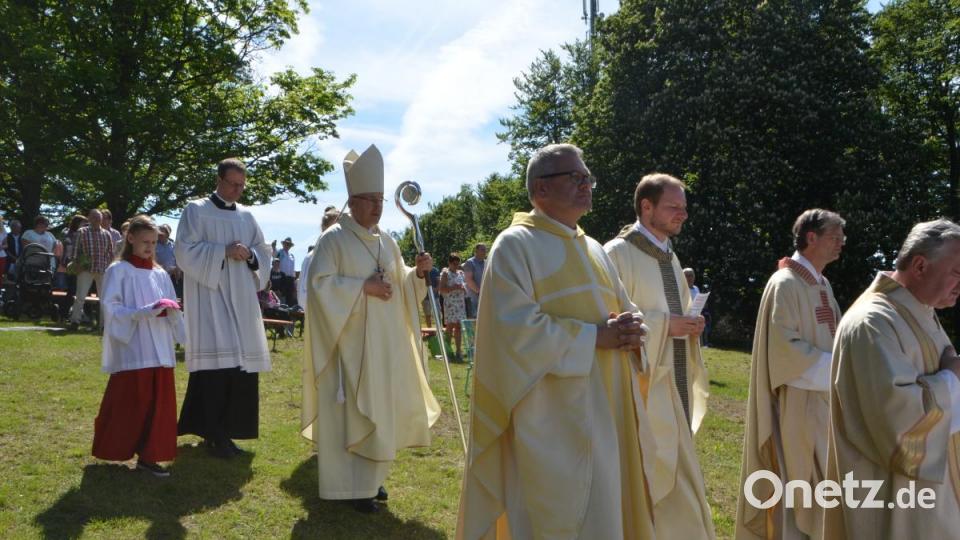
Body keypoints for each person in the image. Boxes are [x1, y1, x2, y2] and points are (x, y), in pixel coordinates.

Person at [457, 143, 655, 539]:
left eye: (588, 178)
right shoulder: (515, 245)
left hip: (610, 407)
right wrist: (594, 336)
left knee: (608, 510)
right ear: (541, 189)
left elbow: (624, 309)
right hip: (551, 417)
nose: (586, 185)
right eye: (575, 177)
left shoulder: (594, 248)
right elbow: (514, 331)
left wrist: (635, 329)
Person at [301, 144, 440, 514]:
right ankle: (351, 487)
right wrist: (362, 287)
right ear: (353, 201)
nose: (378, 207)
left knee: (381, 411)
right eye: (370, 200)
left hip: (384, 345)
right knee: (354, 414)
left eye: (380, 199)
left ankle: (372, 480)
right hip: (350, 346)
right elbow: (320, 286)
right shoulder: (333, 239)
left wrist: (417, 274)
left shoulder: (387, 241)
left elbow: (400, 284)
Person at [823, 219, 960, 538]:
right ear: (920, 266)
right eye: (957, 273)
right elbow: (897, 423)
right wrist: (952, 379)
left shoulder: (919, 311)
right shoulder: (872, 323)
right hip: (896, 495)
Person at [604, 173, 713, 539]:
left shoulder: (669, 255)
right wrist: (667, 325)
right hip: (642, 387)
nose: (682, 214)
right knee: (648, 469)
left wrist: (690, 324)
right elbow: (609, 320)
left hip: (673, 382)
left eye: (684, 207)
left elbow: (675, 313)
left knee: (677, 474)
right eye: (673, 207)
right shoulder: (616, 253)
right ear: (646, 207)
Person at [736, 209, 845, 540]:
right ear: (811, 237)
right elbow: (785, 352)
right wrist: (839, 369)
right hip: (795, 405)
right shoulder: (785, 283)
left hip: (823, 403)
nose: (841, 242)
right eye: (835, 236)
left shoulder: (822, 284)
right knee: (794, 488)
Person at [175, 158, 272, 458]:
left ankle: (228, 431)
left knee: (240, 366)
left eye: (242, 186)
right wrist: (223, 251)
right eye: (233, 184)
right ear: (218, 180)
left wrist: (251, 256)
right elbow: (184, 251)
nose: (237, 190)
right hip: (210, 298)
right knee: (215, 367)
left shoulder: (246, 216)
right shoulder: (196, 210)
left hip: (241, 299)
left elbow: (263, 250)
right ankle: (213, 433)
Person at [92, 215, 185, 477]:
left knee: (159, 405)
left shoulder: (160, 274)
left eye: (154, 243)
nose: (150, 247)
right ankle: (115, 447)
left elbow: (170, 302)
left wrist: (171, 311)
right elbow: (111, 308)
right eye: (145, 242)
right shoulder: (118, 270)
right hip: (135, 345)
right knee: (133, 402)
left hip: (160, 345)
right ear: (130, 238)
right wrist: (141, 312)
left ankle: (150, 456)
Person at [69, 210, 115, 330]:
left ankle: (104, 325)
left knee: (104, 299)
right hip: (85, 269)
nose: (97, 219)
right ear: (89, 218)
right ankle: (75, 321)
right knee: (80, 297)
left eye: (99, 217)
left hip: (102, 269)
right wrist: (75, 263)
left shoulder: (107, 234)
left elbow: (110, 253)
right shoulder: (82, 232)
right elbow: (75, 250)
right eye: (94, 217)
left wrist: (111, 268)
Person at [438, 253, 467, 361]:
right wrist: (454, 287)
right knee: (450, 327)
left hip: (460, 304)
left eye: (458, 264)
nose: (456, 266)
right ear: (449, 263)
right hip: (450, 304)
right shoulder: (446, 273)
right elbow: (441, 289)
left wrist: (463, 289)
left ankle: (458, 351)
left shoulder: (461, 273)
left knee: (459, 327)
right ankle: (447, 351)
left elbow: (465, 287)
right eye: (454, 264)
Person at [155, 224, 181, 298]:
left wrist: (177, 269)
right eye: (158, 233)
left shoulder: (173, 245)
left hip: (173, 276)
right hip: (160, 275)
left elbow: (178, 258)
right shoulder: (154, 245)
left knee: (173, 295)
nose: (159, 235)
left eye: (162, 233)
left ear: (167, 234)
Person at [461, 243, 486, 318]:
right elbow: (468, 280)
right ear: (476, 251)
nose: (485, 252)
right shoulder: (470, 263)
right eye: (482, 250)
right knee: (474, 319)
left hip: (484, 297)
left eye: (485, 250)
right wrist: (480, 292)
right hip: (473, 298)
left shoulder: (487, 263)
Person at [276, 237, 297, 307]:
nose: (287, 245)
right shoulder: (279, 252)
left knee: (290, 297)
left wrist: (294, 280)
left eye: (289, 244)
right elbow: (274, 257)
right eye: (286, 244)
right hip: (282, 278)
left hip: (291, 279)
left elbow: (293, 268)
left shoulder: (292, 256)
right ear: (283, 244)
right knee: (282, 296)